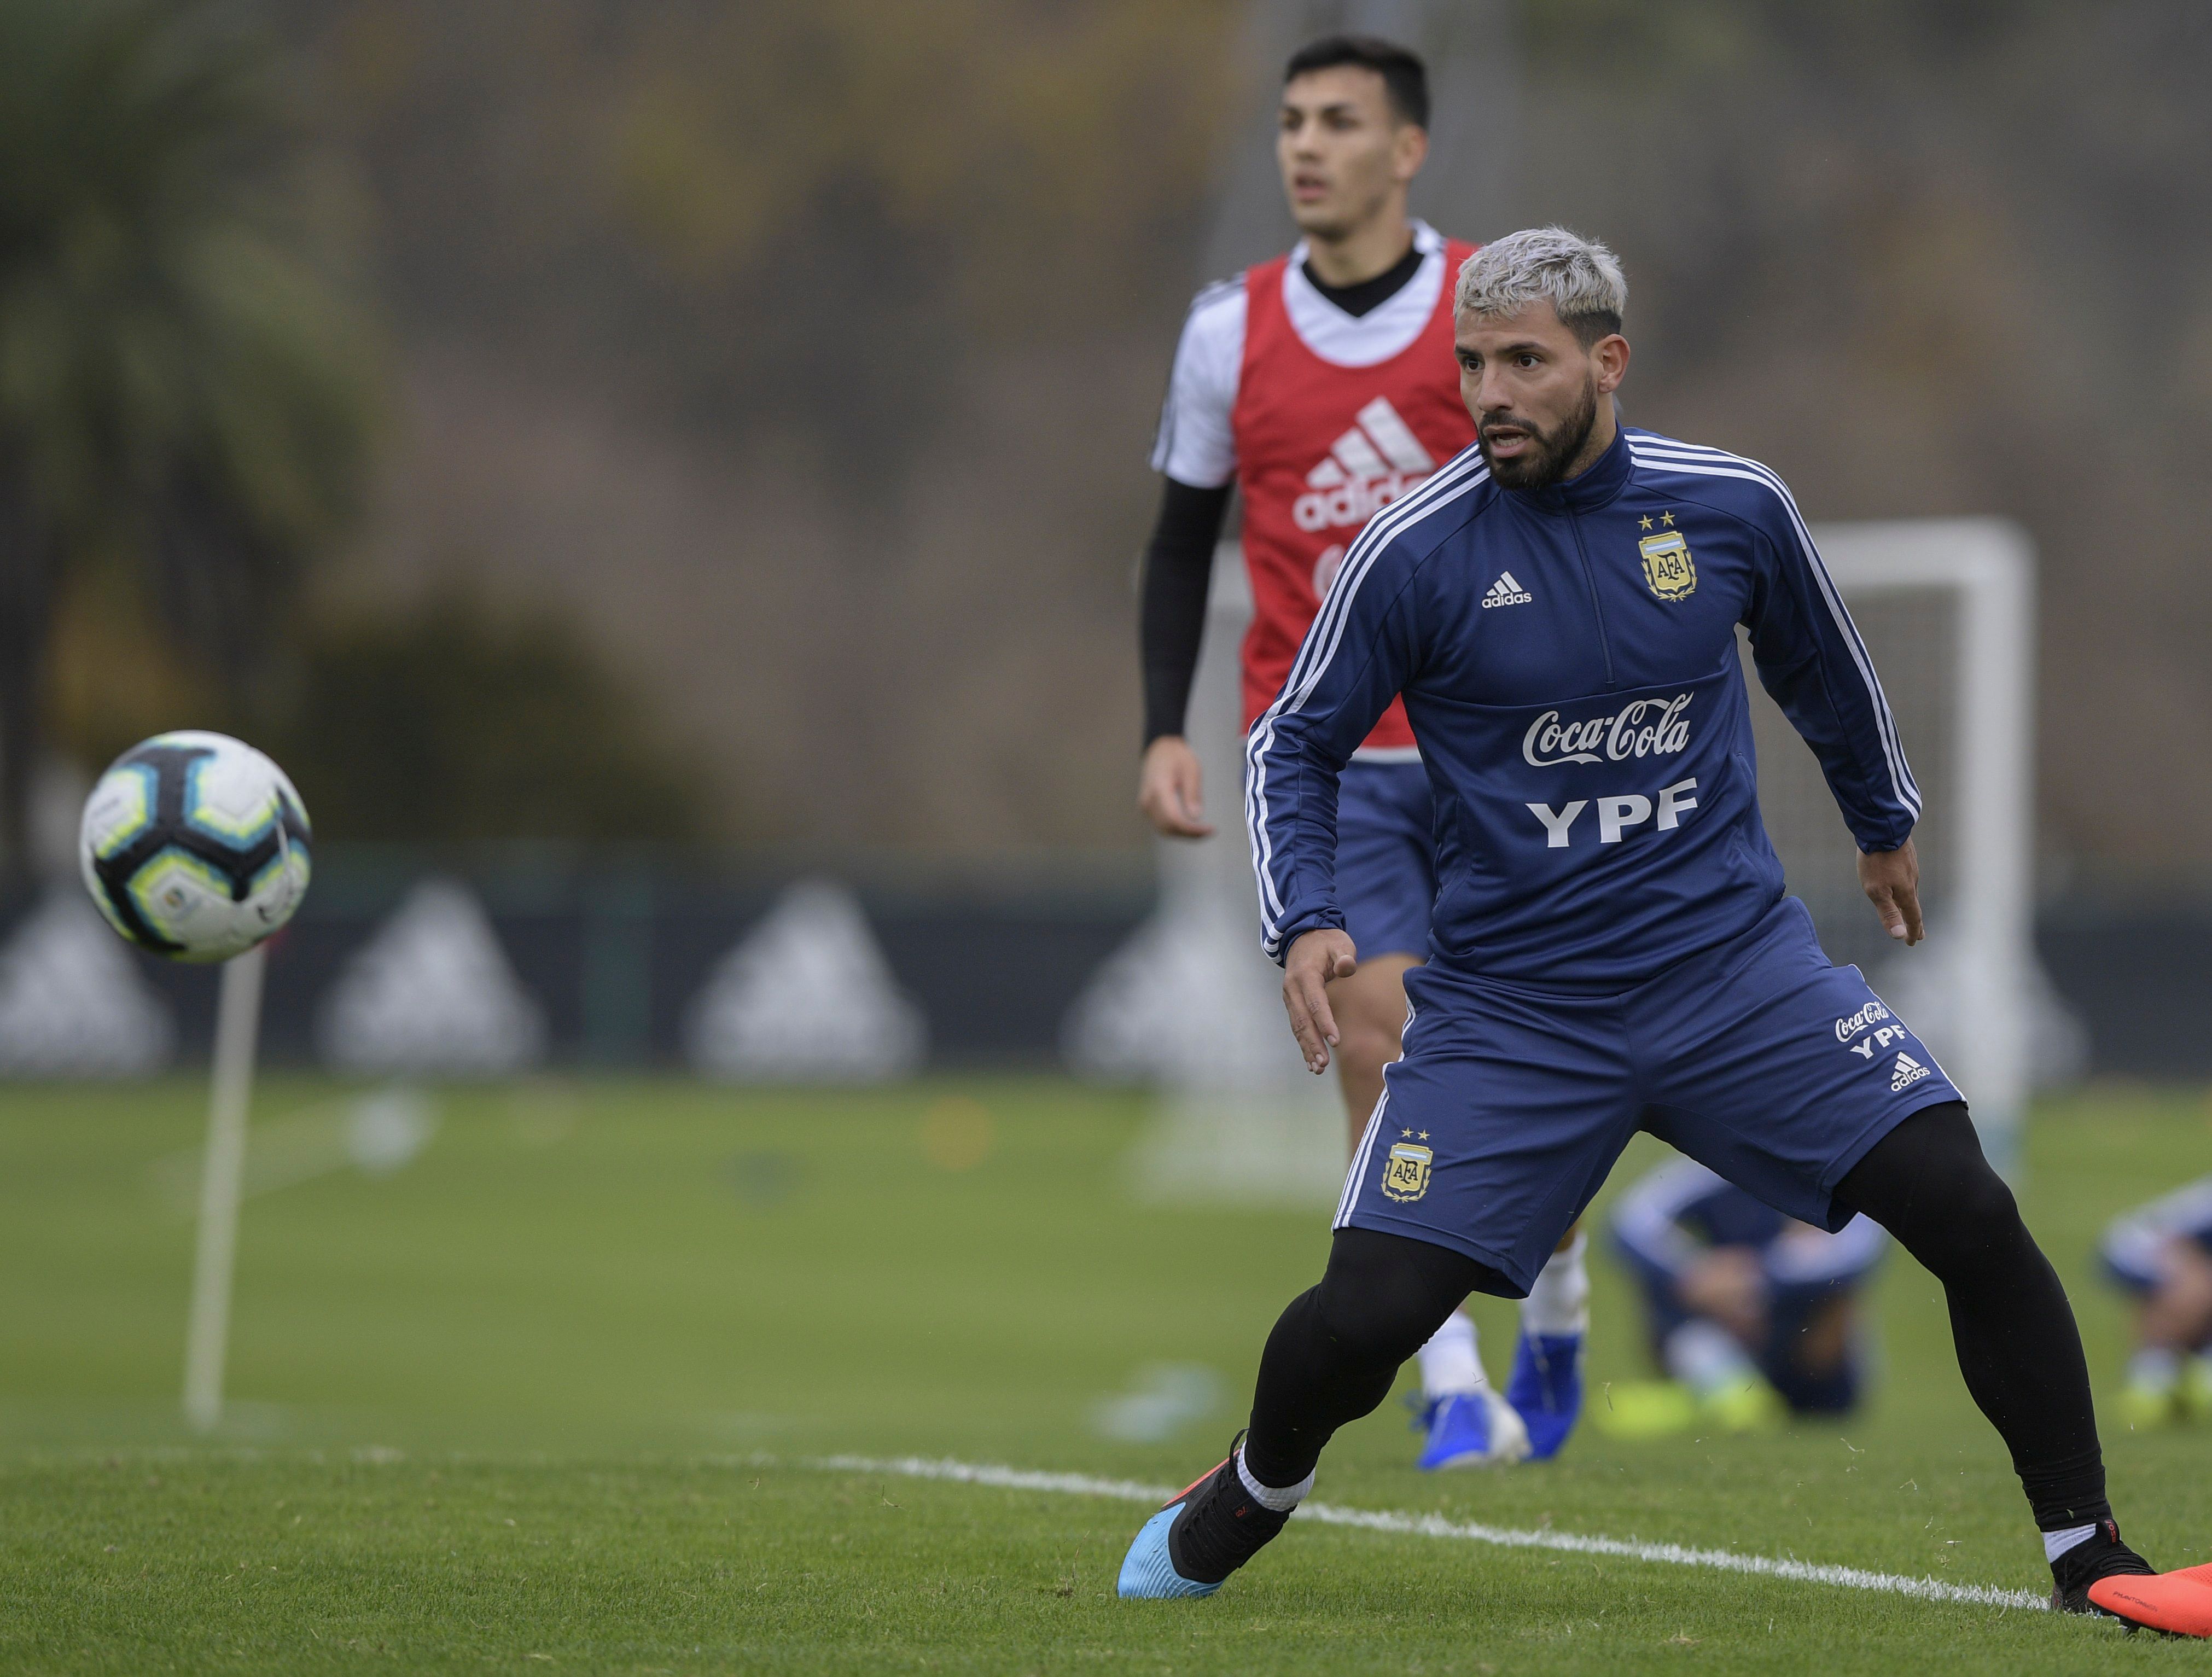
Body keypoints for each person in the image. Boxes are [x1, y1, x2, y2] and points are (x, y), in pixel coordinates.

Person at [1117, 225, 2212, 1638]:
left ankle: (2087, 1552)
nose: (1489, 391)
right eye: (1471, 363)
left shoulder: (1728, 508)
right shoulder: (1415, 549)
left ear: (1605, 360)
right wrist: (1305, 918)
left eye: (1523, 360)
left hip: (1733, 978)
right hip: (1515, 1012)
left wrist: (1881, 821)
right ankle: (1249, 1493)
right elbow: (1292, 746)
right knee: (1367, 1313)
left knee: (1968, 1209)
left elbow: (1825, 667)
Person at [1137, 33, 1587, 1470]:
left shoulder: (1485, 320)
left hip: (1493, 756)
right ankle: (1449, 1372)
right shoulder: (1229, 332)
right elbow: (1174, 545)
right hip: (1323, 763)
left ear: (1407, 150)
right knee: (1384, 1042)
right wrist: (1161, 724)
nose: (1304, 146)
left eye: (1338, 121)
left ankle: (1560, 1293)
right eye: (1287, 122)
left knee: (1542, 1068)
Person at [1600, 1156, 1884, 1436]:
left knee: (1836, 1296)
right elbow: (1628, 1223)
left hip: (1809, 1363)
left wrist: (1755, 1278)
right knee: (1666, 1286)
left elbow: (1861, 1248)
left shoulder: (1827, 1167)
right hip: (1728, 1326)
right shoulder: (1712, 1163)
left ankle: (1710, 1395)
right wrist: (1697, 1274)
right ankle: (1725, 1389)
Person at [2101, 1174, 2212, 1428]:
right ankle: (2151, 1387)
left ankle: (2195, 1379)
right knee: (2195, 1290)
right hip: (2138, 1246)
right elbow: (2173, 1235)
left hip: (2173, 1249)